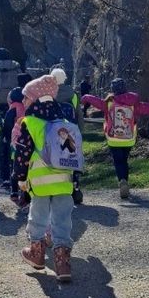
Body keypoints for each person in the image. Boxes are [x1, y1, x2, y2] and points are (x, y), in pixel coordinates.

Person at [14, 74, 75, 282]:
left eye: (26, 98)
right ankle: (63, 262)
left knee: (38, 218)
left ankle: (37, 254)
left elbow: (22, 152)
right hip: (63, 181)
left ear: (35, 99)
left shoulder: (30, 123)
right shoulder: (64, 122)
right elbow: (72, 153)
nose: (24, 101)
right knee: (62, 220)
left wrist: (20, 177)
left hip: (39, 182)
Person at [81, 77, 149, 200]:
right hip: (129, 138)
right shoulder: (133, 103)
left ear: (113, 90)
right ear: (125, 88)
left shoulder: (108, 103)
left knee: (118, 161)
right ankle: (125, 180)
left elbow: (95, 100)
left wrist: (85, 97)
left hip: (113, 138)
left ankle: (122, 180)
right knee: (124, 160)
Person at [53, 67, 85, 204]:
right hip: (71, 132)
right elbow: (79, 115)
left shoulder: (50, 94)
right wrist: (80, 132)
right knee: (73, 159)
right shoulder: (73, 95)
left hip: (54, 132)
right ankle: (75, 188)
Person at [0, 85, 25, 192]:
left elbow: (8, 125)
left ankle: (13, 186)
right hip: (25, 139)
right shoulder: (25, 107)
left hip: (14, 140)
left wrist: (5, 136)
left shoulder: (13, 109)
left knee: (13, 162)